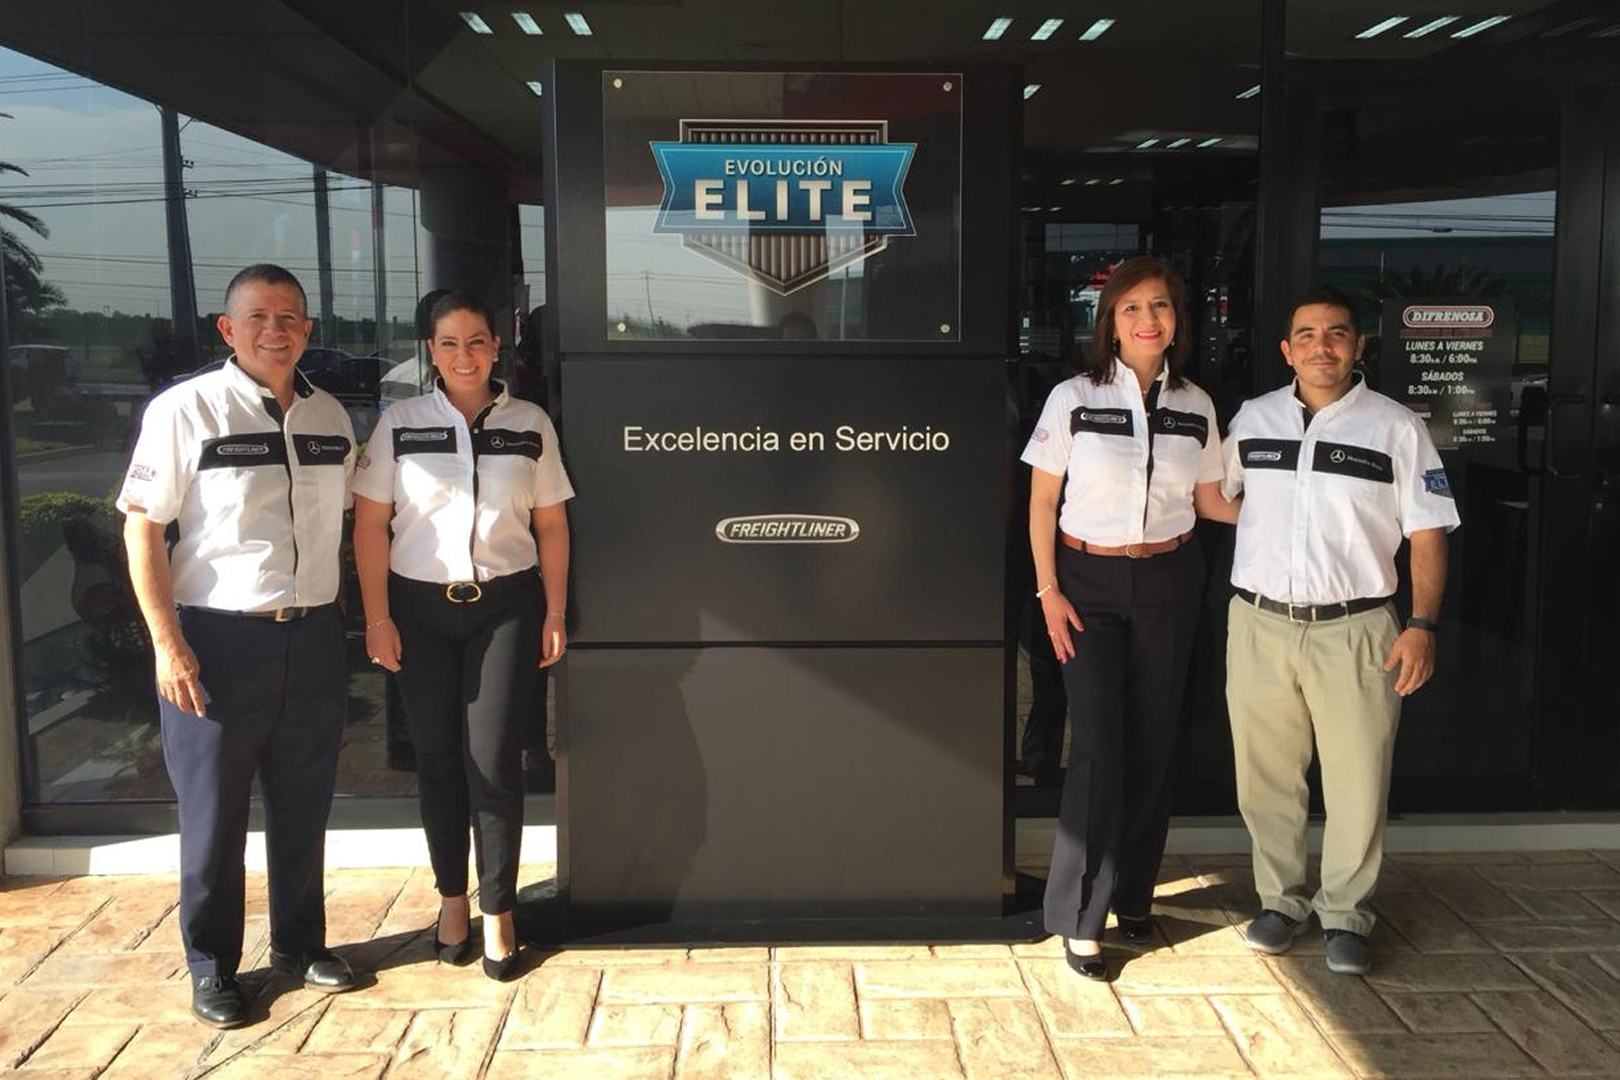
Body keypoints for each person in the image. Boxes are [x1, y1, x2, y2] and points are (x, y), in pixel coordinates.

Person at [119, 264, 357, 1029]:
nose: (274, 330)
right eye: (258, 316)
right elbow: (142, 528)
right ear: (228, 328)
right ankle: (212, 965)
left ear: (307, 330)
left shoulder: (331, 418)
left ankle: (300, 943)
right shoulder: (185, 409)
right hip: (217, 643)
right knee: (214, 819)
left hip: (312, 637)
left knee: (304, 804)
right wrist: (167, 643)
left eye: (290, 317)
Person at [1223, 286, 1458, 975]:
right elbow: (1218, 493)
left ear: (1357, 347)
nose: (1320, 346)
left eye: (1336, 334)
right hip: (1260, 623)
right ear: (1286, 349)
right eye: (1306, 335)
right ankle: (1280, 901)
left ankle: (1346, 913)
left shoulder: (1396, 427)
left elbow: (1428, 532)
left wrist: (1421, 624)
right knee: (1264, 777)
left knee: (1358, 779)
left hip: (1356, 630)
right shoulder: (1255, 418)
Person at [1020, 256, 1236, 980]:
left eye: (1161, 306)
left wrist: (1297, 508)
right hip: (1087, 583)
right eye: (1133, 307)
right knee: (1098, 745)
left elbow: (1212, 503)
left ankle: (1135, 898)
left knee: (1154, 744)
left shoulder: (1197, 405)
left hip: (1171, 578)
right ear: (1110, 321)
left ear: (1178, 321)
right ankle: (1082, 915)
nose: (1148, 319)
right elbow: (1042, 501)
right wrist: (1049, 591)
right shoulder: (1074, 397)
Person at [351, 290, 573, 981]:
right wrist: (378, 618)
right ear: (431, 351)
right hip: (418, 611)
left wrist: (555, 612)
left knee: (495, 762)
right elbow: (369, 526)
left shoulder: (529, 423)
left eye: (476, 340)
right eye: (448, 343)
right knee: (439, 761)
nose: (464, 355)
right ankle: (453, 901)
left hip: (505, 608)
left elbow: (552, 526)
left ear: (496, 346)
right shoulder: (401, 423)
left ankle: (498, 910)